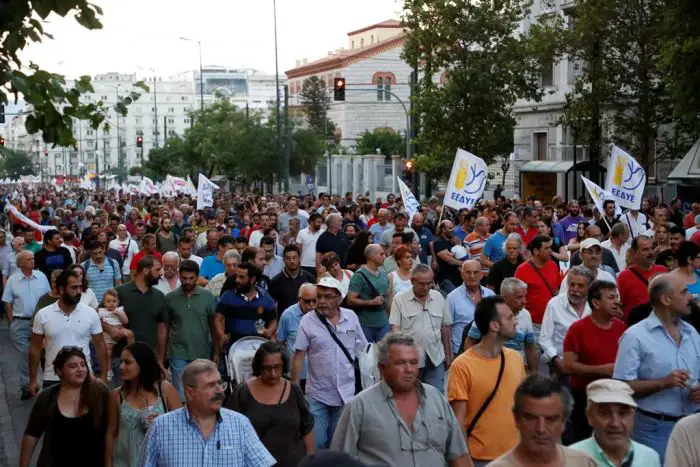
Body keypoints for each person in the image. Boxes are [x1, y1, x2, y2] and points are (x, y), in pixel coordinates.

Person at [331, 333, 470, 467]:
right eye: (400, 363)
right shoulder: (360, 406)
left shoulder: (436, 399)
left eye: (413, 362)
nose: (409, 369)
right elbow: (339, 461)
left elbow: (458, 455)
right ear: (382, 368)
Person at [613, 273, 700, 460]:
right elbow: (620, 387)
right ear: (666, 299)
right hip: (653, 430)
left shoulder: (691, 332)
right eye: (684, 292)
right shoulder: (634, 336)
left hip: (694, 426)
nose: (691, 296)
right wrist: (663, 383)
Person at [138, 359, 276, 467]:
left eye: (219, 384)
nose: (219, 391)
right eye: (210, 386)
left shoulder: (240, 424)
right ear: (189, 393)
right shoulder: (161, 428)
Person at [448, 295, 526, 466]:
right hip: (479, 459)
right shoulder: (462, 366)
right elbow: (457, 421)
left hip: (516, 456)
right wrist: (464, 460)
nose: (516, 322)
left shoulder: (515, 358)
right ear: (494, 325)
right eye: (510, 317)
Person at [292, 277, 367, 449]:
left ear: (339, 298)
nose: (322, 301)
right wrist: (295, 391)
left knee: (337, 445)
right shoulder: (307, 321)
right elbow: (298, 357)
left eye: (328, 297)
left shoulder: (351, 317)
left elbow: (363, 350)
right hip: (318, 393)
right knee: (315, 444)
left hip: (346, 394)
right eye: (320, 296)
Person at [227, 341, 314, 467]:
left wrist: (311, 460)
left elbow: (306, 428)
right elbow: (230, 430)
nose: (273, 374)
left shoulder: (293, 390)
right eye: (267, 368)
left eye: (277, 367)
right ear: (259, 367)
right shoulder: (243, 392)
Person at [20, 347, 111, 467]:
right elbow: (31, 434)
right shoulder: (48, 397)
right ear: (59, 371)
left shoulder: (100, 392)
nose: (80, 370)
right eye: (73, 366)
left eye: (83, 365)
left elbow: (114, 429)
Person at [562, 280, 626, 443]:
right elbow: (568, 366)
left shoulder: (621, 327)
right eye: (611, 297)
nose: (617, 302)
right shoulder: (577, 329)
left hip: (615, 396)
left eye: (616, 297)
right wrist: (601, 370)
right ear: (596, 303)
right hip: (585, 398)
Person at [488, 374, 596, 467]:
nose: (541, 429)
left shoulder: (584, 463)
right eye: (531, 418)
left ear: (564, 422)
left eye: (551, 419)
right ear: (516, 419)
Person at [30, 269, 108, 392]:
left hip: (84, 377)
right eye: (74, 288)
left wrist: (103, 376)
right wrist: (33, 380)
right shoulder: (43, 314)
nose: (78, 292)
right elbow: (35, 348)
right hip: (53, 379)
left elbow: (100, 345)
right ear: (61, 289)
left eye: (80, 287)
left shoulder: (91, 313)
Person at [107, 342, 182, 467]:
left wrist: (163, 422)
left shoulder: (165, 390)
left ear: (143, 364)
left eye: (127, 362)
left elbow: (182, 425)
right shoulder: (116, 396)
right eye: (121, 362)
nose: (121, 366)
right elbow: (110, 434)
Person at [570, 379, 661, 467]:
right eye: (604, 413)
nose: (615, 423)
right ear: (589, 416)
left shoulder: (649, 457)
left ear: (633, 416)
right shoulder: (571, 458)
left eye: (622, 413)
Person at [389, 264, 452, 389]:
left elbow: (445, 327)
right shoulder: (400, 299)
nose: (426, 287)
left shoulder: (438, 297)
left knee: (435, 397)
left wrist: (448, 354)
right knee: (411, 396)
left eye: (429, 283)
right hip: (410, 360)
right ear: (412, 281)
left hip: (435, 357)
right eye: (422, 284)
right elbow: (395, 329)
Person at [165, 260, 218, 400]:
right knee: (181, 395)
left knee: (201, 392)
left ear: (197, 277)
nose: (187, 281)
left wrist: (217, 353)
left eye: (191, 278)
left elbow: (214, 327)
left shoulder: (207, 297)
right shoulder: (170, 298)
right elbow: (165, 328)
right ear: (179, 276)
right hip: (178, 352)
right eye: (184, 278)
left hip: (201, 352)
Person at [2, 250, 51, 399]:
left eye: (33, 258)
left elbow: (49, 297)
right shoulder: (13, 280)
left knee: (45, 352)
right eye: (29, 259)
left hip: (41, 322)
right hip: (21, 322)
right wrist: (11, 322)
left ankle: (49, 384)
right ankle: (26, 385)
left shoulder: (41, 276)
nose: (32, 260)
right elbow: (8, 301)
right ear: (20, 263)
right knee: (25, 354)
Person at [463, 277, 538, 372]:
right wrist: (471, 368)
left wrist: (534, 375)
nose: (524, 301)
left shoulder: (526, 315)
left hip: (515, 371)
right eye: (519, 297)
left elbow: (530, 348)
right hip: (488, 370)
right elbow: (470, 342)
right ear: (505, 297)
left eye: (525, 296)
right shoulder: (489, 313)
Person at [112, 256, 167, 384]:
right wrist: (111, 329)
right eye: (157, 270)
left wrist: (160, 359)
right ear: (146, 271)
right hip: (122, 358)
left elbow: (161, 331)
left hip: (149, 358)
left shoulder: (159, 297)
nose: (160, 274)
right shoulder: (120, 292)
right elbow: (100, 315)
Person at [213, 262, 277, 365]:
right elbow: (217, 318)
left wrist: (269, 331)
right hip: (233, 347)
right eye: (236, 276)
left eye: (241, 277)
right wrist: (222, 335)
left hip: (258, 347)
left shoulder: (266, 298)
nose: (237, 280)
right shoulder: (228, 296)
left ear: (252, 279)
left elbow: (273, 319)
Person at [540, 266, 593, 384]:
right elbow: (544, 338)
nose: (575, 289)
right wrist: (556, 360)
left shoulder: (595, 305)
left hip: (590, 368)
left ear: (589, 287)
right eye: (572, 285)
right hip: (561, 369)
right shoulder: (554, 304)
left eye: (580, 286)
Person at [514, 235, 562, 338]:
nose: (550, 251)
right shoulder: (522, 270)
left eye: (551, 247)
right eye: (546, 248)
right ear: (536, 251)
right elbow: (516, 297)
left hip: (552, 321)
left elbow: (557, 290)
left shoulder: (553, 265)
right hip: (533, 323)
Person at [447, 260, 495, 355]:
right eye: (468, 272)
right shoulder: (452, 298)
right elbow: (447, 328)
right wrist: (449, 353)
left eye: (476, 272)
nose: (472, 276)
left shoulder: (490, 295)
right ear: (462, 275)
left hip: (487, 351)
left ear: (481, 274)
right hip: (461, 352)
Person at [617, 236, 668, 321]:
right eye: (645, 249)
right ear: (634, 253)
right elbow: (619, 305)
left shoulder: (663, 270)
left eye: (652, 248)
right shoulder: (623, 277)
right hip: (636, 326)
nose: (650, 252)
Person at [346, 244, 390, 342]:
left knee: (385, 354)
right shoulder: (359, 276)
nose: (385, 257)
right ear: (372, 256)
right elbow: (350, 300)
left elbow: (387, 296)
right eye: (381, 254)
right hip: (365, 324)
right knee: (366, 354)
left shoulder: (383, 273)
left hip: (384, 322)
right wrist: (370, 302)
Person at [277, 283, 316, 390]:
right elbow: (280, 342)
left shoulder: (321, 314)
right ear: (300, 299)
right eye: (307, 301)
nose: (312, 304)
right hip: (296, 374)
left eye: (315, 300)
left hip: (317, 375)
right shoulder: (288, 315)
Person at [269, 245, 315, 315]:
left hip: (307, 320)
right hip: (285, 321)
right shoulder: (275, 281)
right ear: (284, 260)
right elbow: (271, 307)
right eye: (288, 258)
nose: (292, 261)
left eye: (294, 257)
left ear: (299, 258)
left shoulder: (309, 278)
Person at [99, 289, 135, 371]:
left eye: (114, 301)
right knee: (108, 351)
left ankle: (131, 352)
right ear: (104, 303)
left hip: (120, 327)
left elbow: (126, 321)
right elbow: (97, 321)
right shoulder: (102, 311)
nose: (111, 303)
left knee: (130, 334)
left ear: (117, 302)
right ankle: (108, 369)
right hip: (107, 331)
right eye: (108, 301)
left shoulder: (119, 310)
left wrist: (119, 314)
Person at [433, 220, 465, 293]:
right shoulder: (438, 243)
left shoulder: (456, 240)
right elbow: (449, 260)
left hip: (460, 278)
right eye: (450, 228)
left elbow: (465, 253)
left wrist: (459, 245)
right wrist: (463, 263)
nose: (453, 230)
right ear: (443, 230)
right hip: (446, 279)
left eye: (453, 227)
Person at [386, 245, 414, 309]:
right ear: (399, 261)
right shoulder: (391, 277)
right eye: (407, 257)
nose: (411, 260)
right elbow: (389, 300)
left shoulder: (416, 274)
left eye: (411, 257)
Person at [296, 213, 323, 277]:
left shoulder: (323, 233)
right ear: (311, 222)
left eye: (321, 222)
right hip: (304, 265)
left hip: (319, 266)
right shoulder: (302, 233)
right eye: (318, 222)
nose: (320, 224)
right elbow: (298, 250)